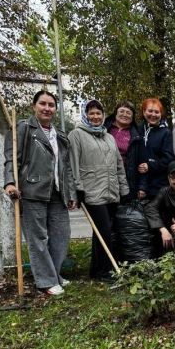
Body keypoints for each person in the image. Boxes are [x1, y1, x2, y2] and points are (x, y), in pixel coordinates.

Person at [3, 90, 77, 296]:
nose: (47, 108)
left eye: (51, 105)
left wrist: (71, 193)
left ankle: (54, 274)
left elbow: (66, 167)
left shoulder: (60, 135)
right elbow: (11, 158)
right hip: (31, 191)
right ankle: (46, 281)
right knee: (38, 238)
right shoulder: (23, 129)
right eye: (43, 104)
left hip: (57, 192)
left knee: (61, 235)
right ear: (34, 106)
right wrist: (9, 182)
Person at [69, 99, 129, 282]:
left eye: (98, 113)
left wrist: (123, 189)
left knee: (103, 232)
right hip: (91, 192)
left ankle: (96, 270)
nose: (95, 117)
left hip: (111, 191)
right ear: (85, 115)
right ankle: (105, 271)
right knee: (103, 230)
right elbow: (72, 165)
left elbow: (119, 165)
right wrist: (76, 190)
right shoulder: (76, 135)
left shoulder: (108, 137)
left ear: (103, 116)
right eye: (91, 113)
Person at [137, 98, 174, 201]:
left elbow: (169, 158)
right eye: (150, 111)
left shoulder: (166, 133)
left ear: (161, 114)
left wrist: (150, 166)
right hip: (137, 183)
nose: (153, 114)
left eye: (157, 112)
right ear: (144, 112)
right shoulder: (138, 130)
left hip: (158, 185)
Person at [104, 101, 142, 200]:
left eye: (128, 113)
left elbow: (140, 161)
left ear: (132, 117)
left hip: (127, 179)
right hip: (104, 178)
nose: (125, 115)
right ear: (115, 113)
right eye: (121, 111)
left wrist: (142, 187)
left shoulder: (137, 135)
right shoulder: (104, 129)